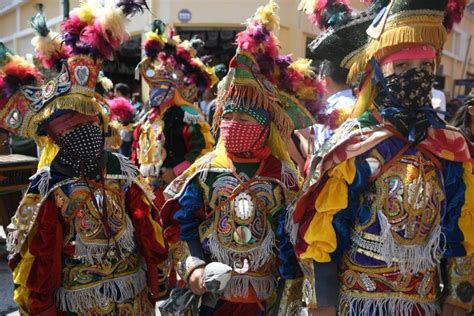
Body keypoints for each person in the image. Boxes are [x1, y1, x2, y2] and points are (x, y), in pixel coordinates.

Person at [292, 0, 473, 315]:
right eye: (401, 67)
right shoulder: (352, 147)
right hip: (358, 304)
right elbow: (324, 236)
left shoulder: (449, 147)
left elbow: (461, 229)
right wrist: (324, 305)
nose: (415, 77)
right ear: (375, 72)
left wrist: (458, 298)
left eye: (425, 67)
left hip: (424, 306)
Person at [2, 2, 167, 314]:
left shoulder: (121, 170)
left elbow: (149, 229)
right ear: (54, 134)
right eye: (71, 123)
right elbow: (37, 259)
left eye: (90, 120)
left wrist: (157, 281)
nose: (85, 129)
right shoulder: (48, 184)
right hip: (79, 304)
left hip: (133, 299)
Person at [161, 2, 311, 314]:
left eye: (245, 117)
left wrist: (289, 295)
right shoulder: (205, 172)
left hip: (264, 300)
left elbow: (292, 240)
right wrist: (194, 270)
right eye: (229, 115)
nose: (234, 123)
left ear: (265, 126)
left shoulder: (282, 174)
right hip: (213, 301)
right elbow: (181, 226)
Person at [132, 20, 216, 207]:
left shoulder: (186, 113)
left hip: (179, 189)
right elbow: (137, 150)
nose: (156, 92)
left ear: (174, 89)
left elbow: (202, 149)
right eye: (153, 87)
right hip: (148, 190)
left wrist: (176, 172)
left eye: (162, 87)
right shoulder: (147, 117)